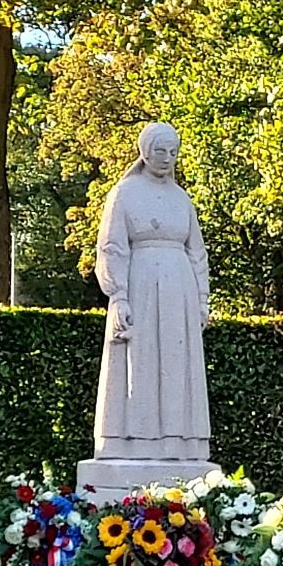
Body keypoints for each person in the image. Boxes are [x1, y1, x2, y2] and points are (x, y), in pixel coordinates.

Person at [93, 122, 211, 462]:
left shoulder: (181, 198)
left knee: (177, 363)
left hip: (181, 291)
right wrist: (118, 296)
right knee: (140, 362)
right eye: (160, 151)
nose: (167, 158)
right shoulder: (125, 193)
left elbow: (197, 252)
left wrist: (202, 299)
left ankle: (179, 442)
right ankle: (132, 442)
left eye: (173, 152)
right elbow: (112, 246)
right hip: (141, 285)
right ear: (145, 151)